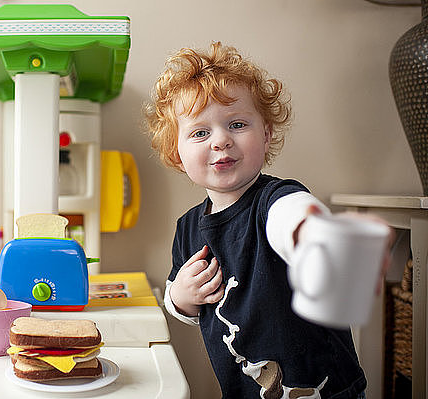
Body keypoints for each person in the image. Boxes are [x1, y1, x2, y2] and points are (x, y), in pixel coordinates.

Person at [144, 42, 388, 398]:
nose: (221, 140)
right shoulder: (187, 228)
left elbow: (293, 218)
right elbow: (180, 305)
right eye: (200, 132)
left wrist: (316, 238)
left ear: (267, 134)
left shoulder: (275, 200)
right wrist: (181, 296)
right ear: (176, 154)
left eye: (237, 124)